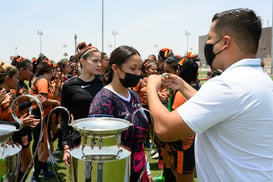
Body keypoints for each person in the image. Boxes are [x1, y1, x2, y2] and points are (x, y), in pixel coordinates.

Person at [147, 8, 273, 181]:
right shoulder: (260, 80)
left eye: (210, 38)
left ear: (225, 42)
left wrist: (151, 87)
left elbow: (165, 129)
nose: (208, 44)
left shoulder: (228, 84)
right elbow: (220, 108)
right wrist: (183, 85)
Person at [89, 46, 153, 182]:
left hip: (139, 170)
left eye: (139, 69)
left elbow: (139, 141)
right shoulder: (104, 100)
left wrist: (146, 169)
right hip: (116, 172)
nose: (137, 73)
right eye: (132, 68)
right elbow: (100, 147)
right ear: (115, 68)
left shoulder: (134, 96)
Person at [61, 42, 103, 167]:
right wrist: (66, 146)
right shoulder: (69, 85)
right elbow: (64, 117)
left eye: (100, 61)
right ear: (83, 62)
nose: (99, 64)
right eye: (95, 61)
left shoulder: (104, 83)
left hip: (101, 139)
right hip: (78, 140)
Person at [30, 55, 60, 182]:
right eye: (53, 70)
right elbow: (42, 100)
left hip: (40, 115)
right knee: (48, 148)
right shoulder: (43, 81)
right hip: (41, 116)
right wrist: (55, 102)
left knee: (42, 147)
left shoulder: (37, 78)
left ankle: (44, 171)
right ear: (49, 71)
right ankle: (35, 175)